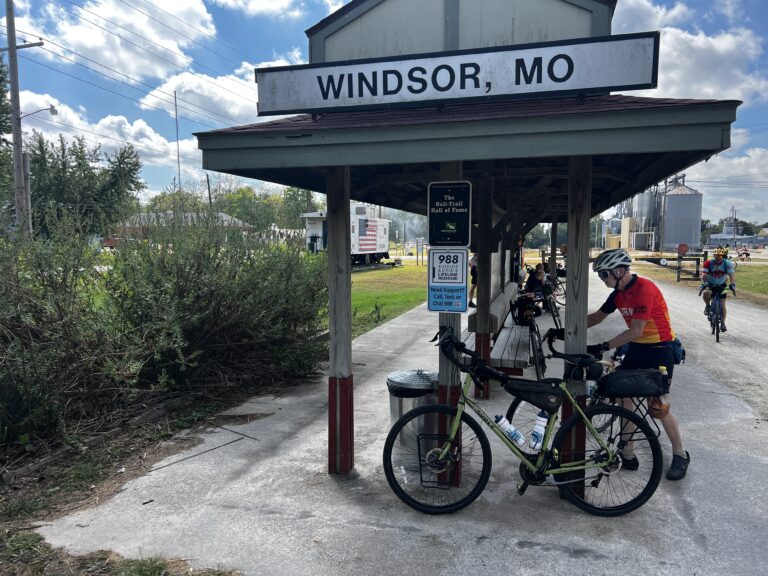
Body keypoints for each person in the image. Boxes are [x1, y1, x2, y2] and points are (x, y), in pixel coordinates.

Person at [586, 248, 690, 481]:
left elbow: (636, 330)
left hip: (660, 350)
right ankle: (628, 451)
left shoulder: (645, 289)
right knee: (626, 398)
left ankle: (680, 454)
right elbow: (596, 318)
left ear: (619, 271)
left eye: (604, 275)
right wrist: (566, 330)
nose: (602, 280)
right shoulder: (618, 293)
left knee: (658, 407)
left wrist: (603, 346)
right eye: (601, 276)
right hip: (639, 349)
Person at [701, 247, 736, 331]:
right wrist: (704, 283)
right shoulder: (708, 263)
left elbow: (731, 275)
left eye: (720, 256)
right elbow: (704, 274)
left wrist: (732, 284)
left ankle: (723, 323)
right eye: (716, 256)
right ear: (714, 256)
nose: (718, 258)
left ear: (723, 256)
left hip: (722, 285)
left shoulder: (728, 264)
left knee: (723, 304)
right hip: (710, 284)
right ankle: (708, 306)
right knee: (706, 293)